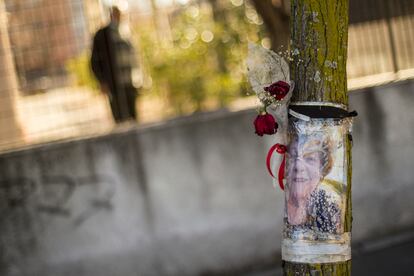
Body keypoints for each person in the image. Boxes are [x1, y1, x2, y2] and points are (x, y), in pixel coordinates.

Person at [285, 131, 345, 235]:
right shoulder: (275, 201)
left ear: (323, 168)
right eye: (293, 157)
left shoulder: (327, 208)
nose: (298, 167)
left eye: (309, 159)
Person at [91, 6, 140, 123]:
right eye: (115, 13)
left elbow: (134, 57)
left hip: (130, 82)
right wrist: (102, 81)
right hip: (114, 83)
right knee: (120, 118)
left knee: (133, 117)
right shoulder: (102, 35)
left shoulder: (126, 32)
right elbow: (94, 61)